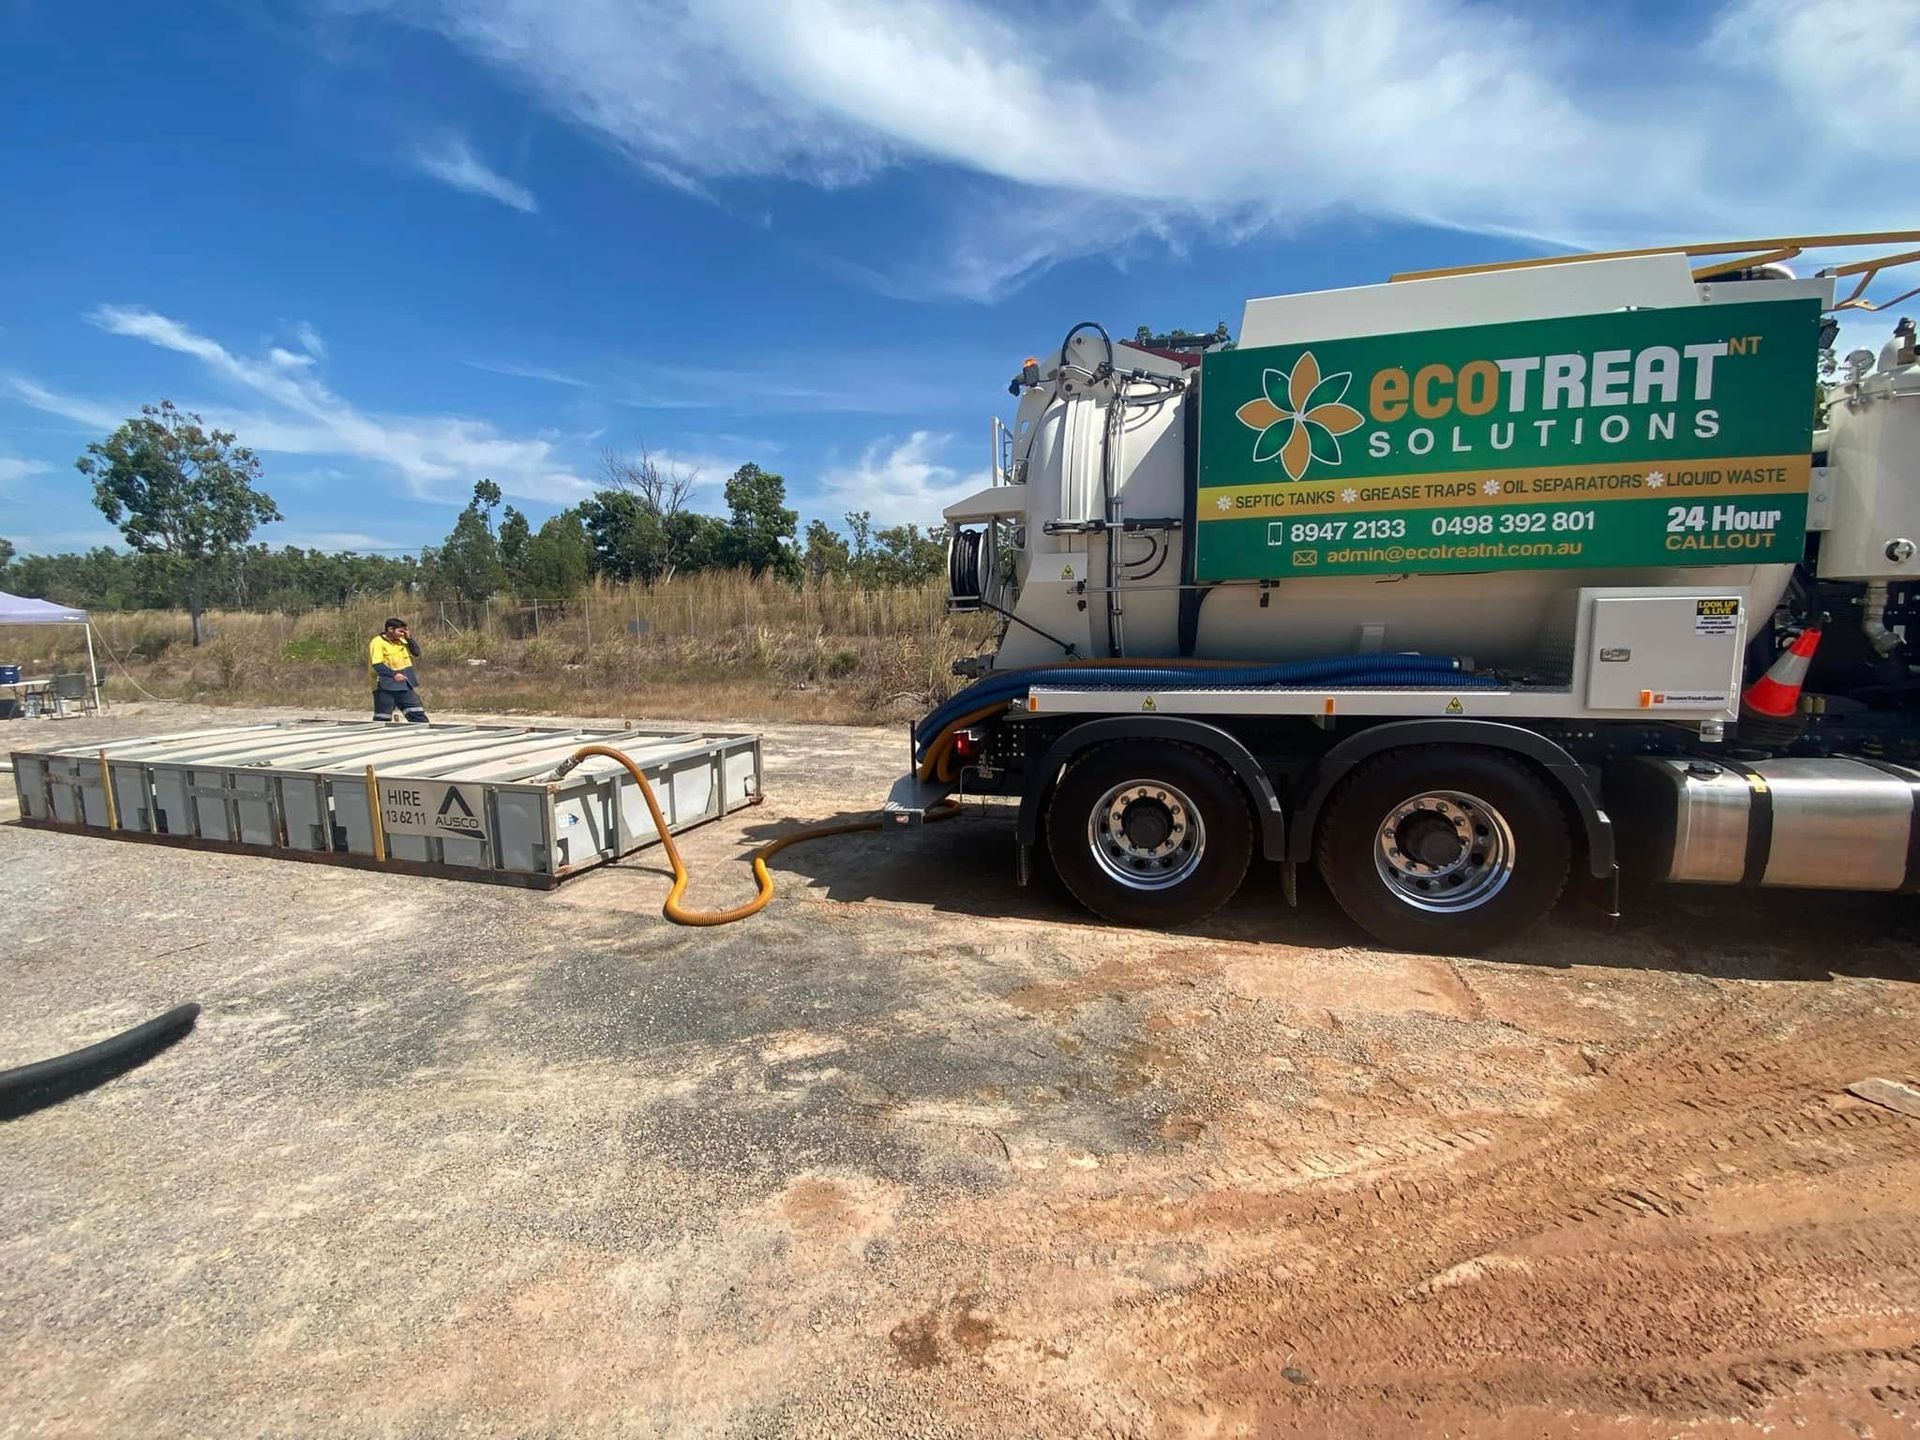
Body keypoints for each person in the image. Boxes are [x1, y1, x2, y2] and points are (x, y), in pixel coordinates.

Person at [367, 617, 428, 723]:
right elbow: (377, 664)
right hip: (384, 685)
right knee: (383, 718)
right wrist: (394, 675)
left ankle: (421, 731)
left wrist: (409, 638)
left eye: (405, 631)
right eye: (400, 631)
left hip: (404, 684)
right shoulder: (377, 642)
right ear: (390, 629)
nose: (403, 634)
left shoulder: (403, 641)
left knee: (417, 714)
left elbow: (416, 653)